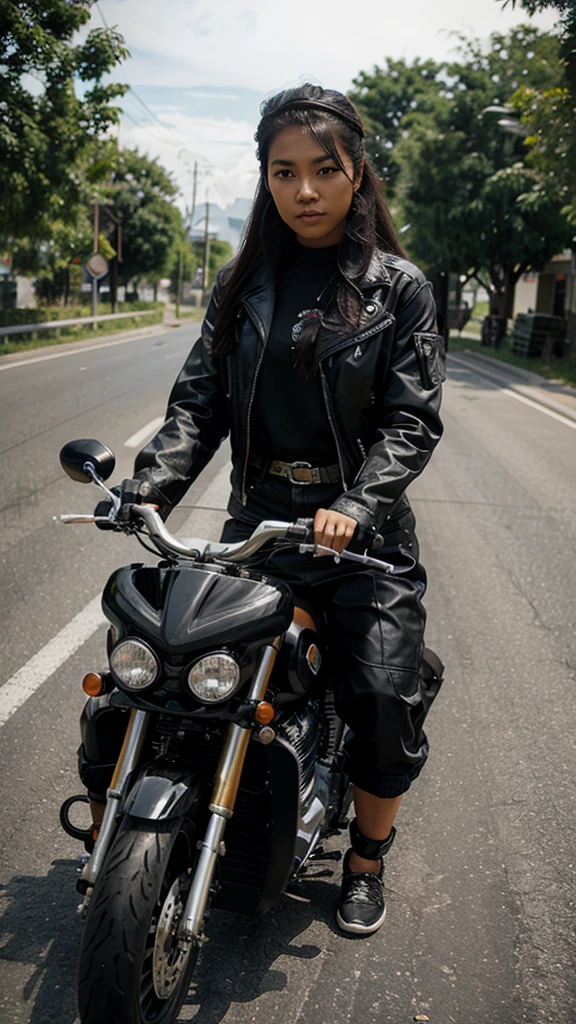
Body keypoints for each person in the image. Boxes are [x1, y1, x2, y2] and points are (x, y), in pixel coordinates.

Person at [103, 84, 445, 936]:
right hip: (259, 525)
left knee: (378, 699)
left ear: (356, 170)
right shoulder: (242, 283)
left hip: (361, 541)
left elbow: (411, 420)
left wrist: (357, 505)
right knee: (175, 673)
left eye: (324, 170)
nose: (305, 190)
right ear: (265, 178)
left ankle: (364, 860)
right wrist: (149, 489)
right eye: (284, 172)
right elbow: (197, 407)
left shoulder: (398, 289)